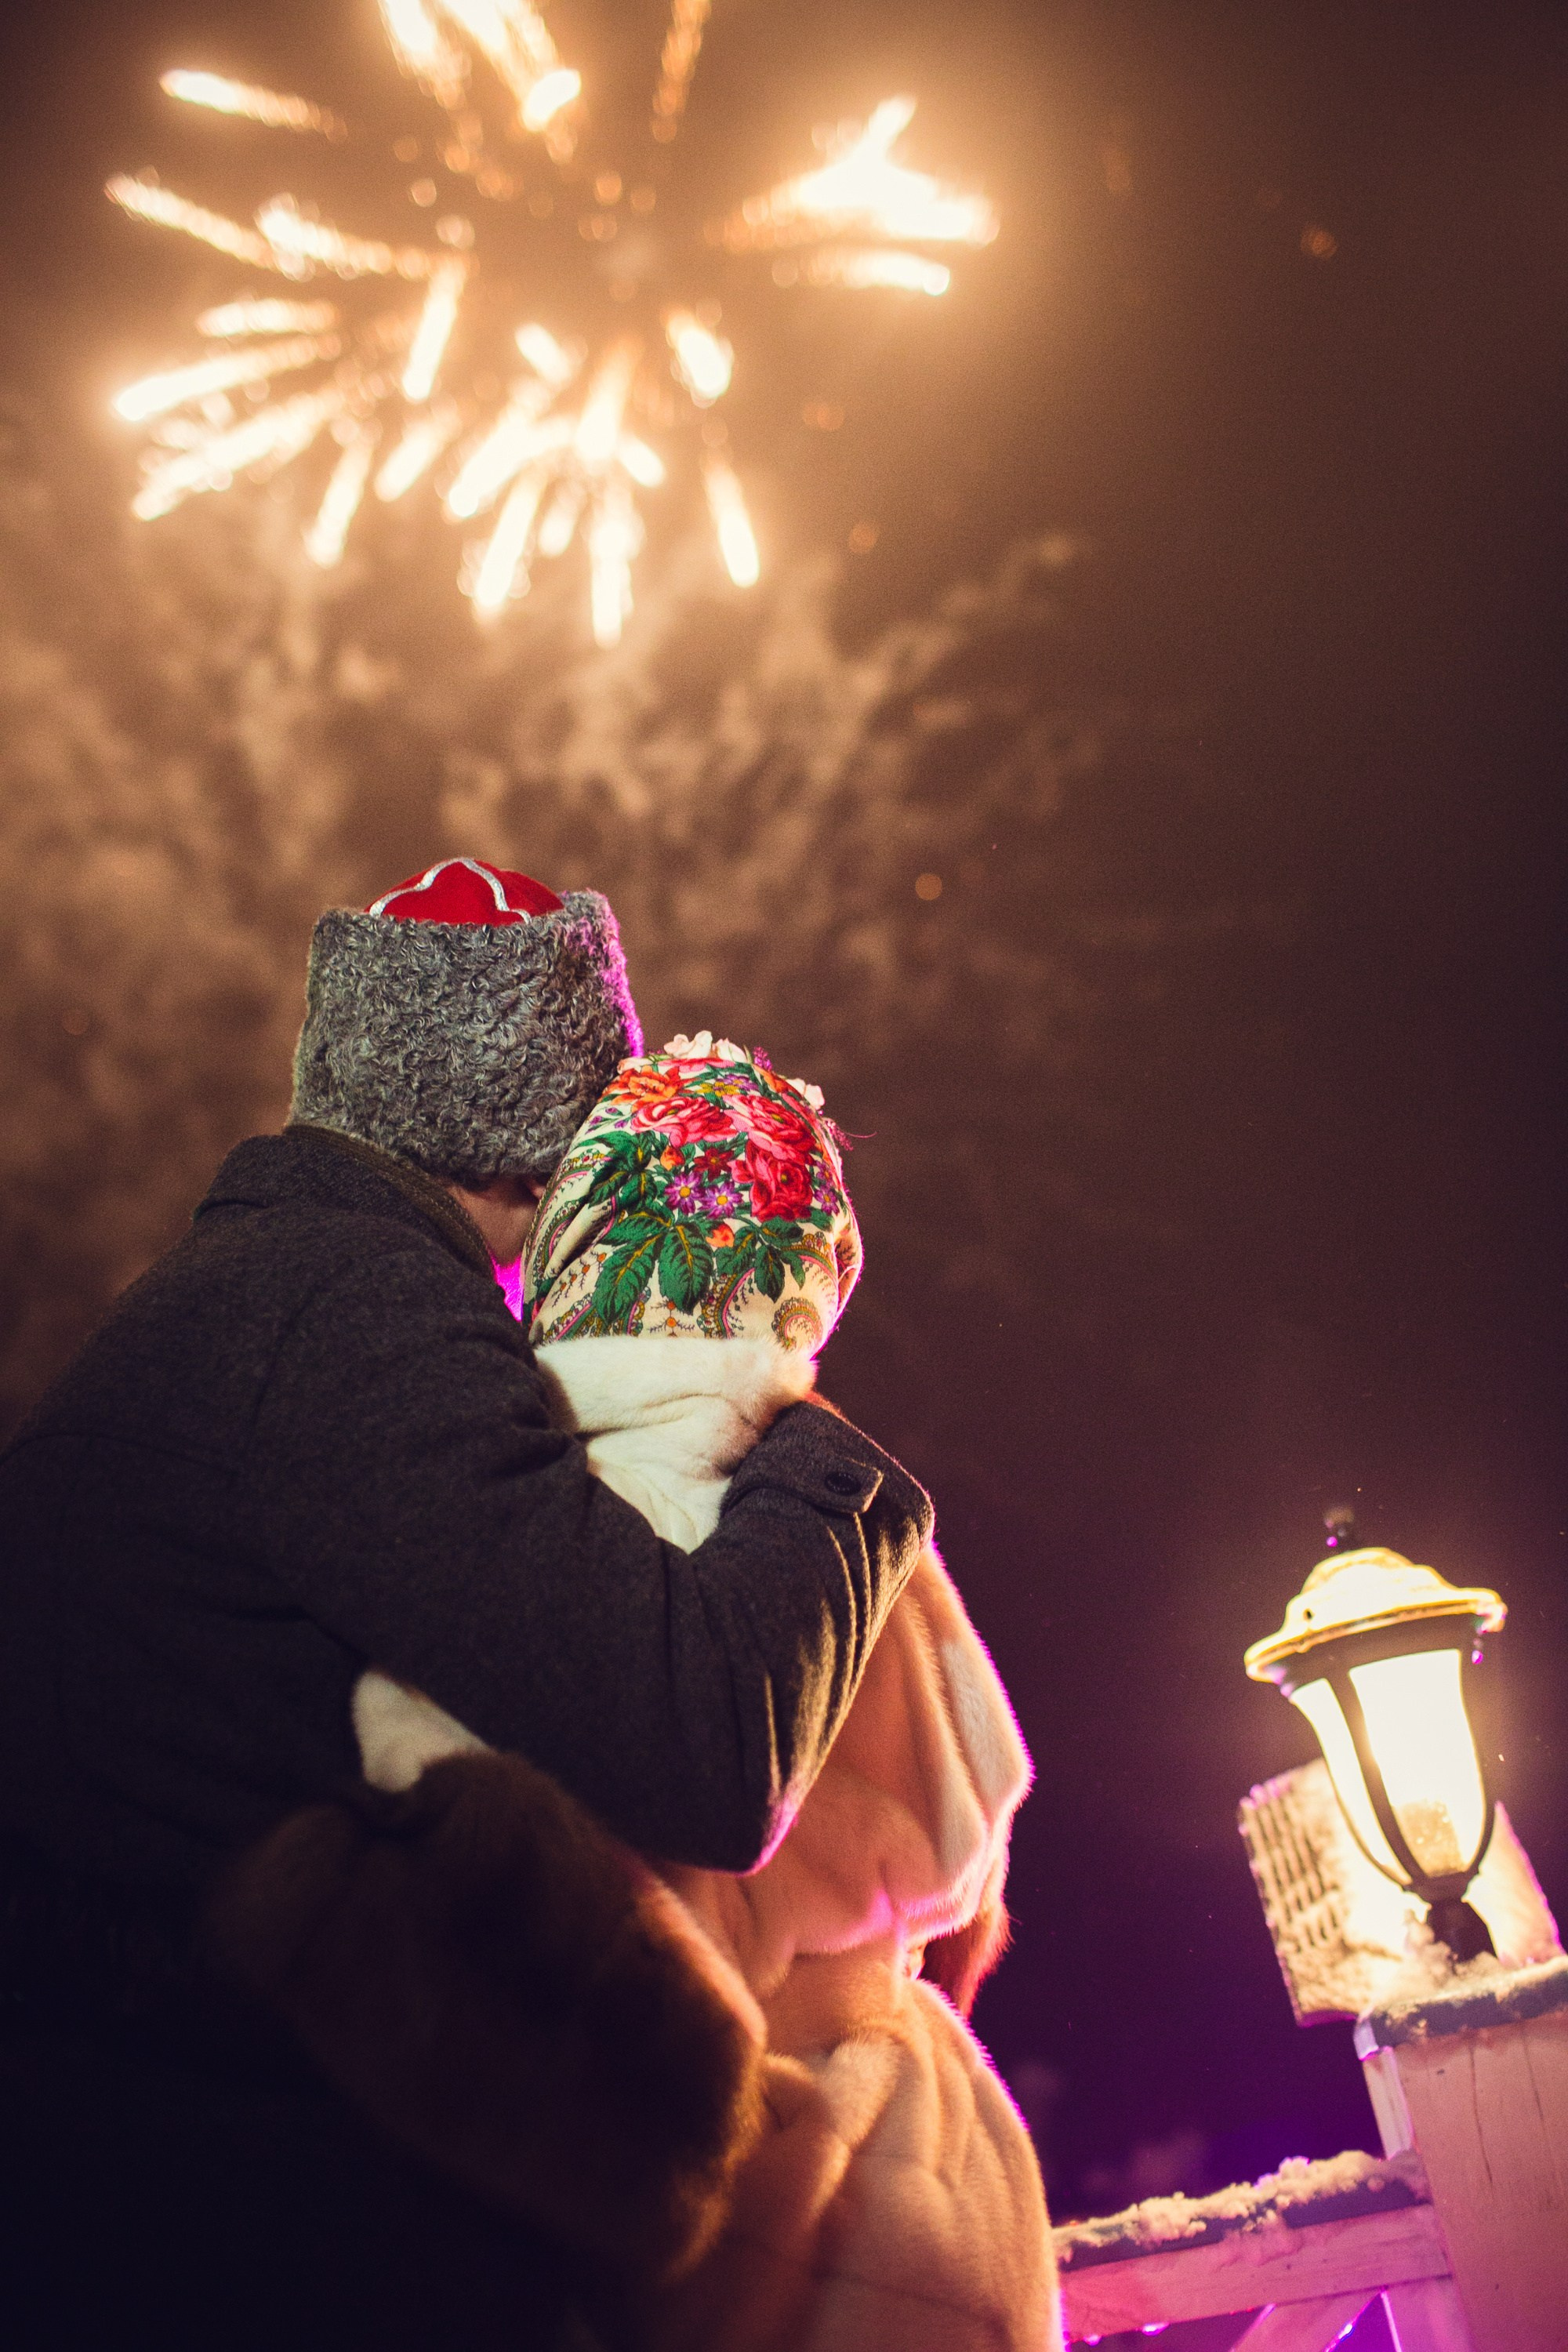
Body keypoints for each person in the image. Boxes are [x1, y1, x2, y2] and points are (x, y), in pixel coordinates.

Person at [0, 862, 934, 2352]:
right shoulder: (360, 1321)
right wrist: (819, 1458)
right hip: (244, 2231)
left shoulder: (236, 1295)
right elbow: (705, 1743)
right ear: (529, 1140)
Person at [347, 1031, 1060, 2350]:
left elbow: (520, 1949)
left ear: (567, 1263)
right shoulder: (860, 1531)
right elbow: (978, 1840)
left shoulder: (520, 1532)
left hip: (734, 2228)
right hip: (937, 2198)